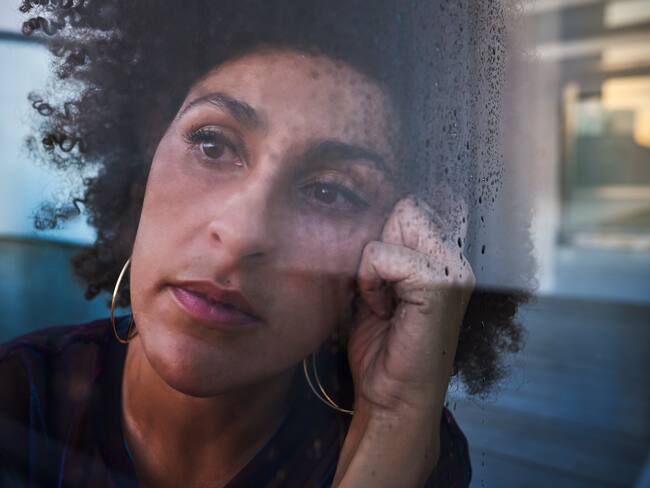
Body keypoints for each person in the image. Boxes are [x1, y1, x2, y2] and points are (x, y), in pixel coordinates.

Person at [1, 1, 527, 486]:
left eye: (329, 191)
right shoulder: (17, 396)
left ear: (394, 246)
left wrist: (393, 423)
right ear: (142, 168)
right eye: (211, 144)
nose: (242, 233)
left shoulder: (412, 449)